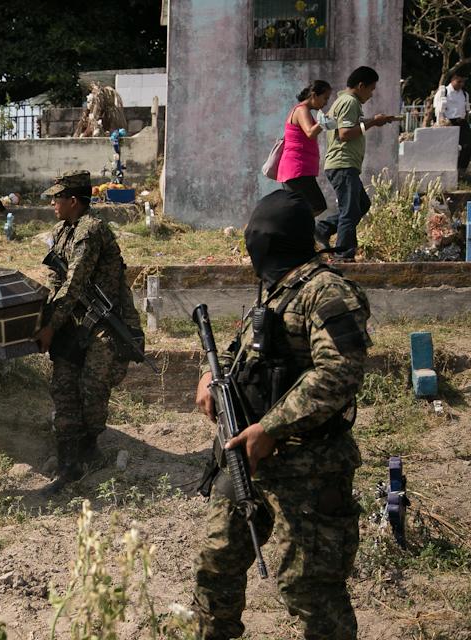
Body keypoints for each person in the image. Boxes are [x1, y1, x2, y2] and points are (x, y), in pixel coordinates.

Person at [191, 189, 370, 640]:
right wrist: (207, 378)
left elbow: (341, 371)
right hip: (245, 458)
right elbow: (240, 353)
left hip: (307, 467)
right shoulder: (275, 291)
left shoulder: (325, 290)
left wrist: (270, 428)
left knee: (308, 588)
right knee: (216, 563)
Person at [34, 170, 143, 496]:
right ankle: (69, 463)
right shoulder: (62, 230)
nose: (53, 202)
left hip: (105, 324)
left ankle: (89, 446)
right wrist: (49, 318)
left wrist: (51, 326)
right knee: (64, 387)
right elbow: (56, 281)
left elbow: (75, 281)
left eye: (57, 197)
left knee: (92, 386)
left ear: (73, 200)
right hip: (73, 321)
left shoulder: (91, 230)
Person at [315, 66, 397, 261]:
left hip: (345, 165)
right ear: (361, 86)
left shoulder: (347, 102)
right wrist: (372, 123)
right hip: (342, 164)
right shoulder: (349, 102)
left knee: (361, 204)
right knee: (350, 210)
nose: (371, 94)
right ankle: (344, 254)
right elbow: (345, 134)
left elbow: (349, 127)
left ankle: (323, 229)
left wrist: (376, 120)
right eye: (371, 89)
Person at [277, 80, 334, 216]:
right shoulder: (302, 110)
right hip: (297, 169)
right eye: (325, 98)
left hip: (298, 170)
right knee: (316, 206)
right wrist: (325, 121)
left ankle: (293, 233)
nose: (326, 103)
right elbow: (310, 132)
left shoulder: (302, 110)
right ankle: (294, 231)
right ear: (314, 95)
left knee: (302, 208)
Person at [433, 72, 471, 174]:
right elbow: (438, 109)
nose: (461, 84)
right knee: (448, 148)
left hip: (461, 122)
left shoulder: (464, 93)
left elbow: (466, 109)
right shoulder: (443, 91)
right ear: (453, 80)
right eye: (459, 82)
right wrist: (442, 122)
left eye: (463, 82)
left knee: (467, 146)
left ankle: (461, 170)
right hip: (448, 122)